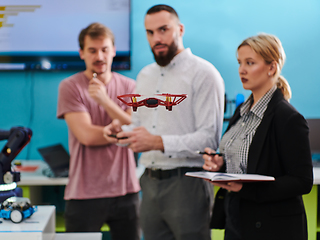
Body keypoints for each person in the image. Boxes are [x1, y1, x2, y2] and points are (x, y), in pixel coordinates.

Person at [104, 4, 225, 240]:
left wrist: (157, 142)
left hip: (188, 184)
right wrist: (120, 133)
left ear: (180, 29)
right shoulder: (144, 75)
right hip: (148, 184)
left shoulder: (204, 74)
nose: (156, 38)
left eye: (163, 30)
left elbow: (209, 139)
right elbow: (138, 125)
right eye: (150, 32)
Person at [202, 33, 313, 240]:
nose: (241, 70)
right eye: (240, 63)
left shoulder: (288, 118)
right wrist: (220, 165)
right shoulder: (242, 111)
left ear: (271, 68)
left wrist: (246, 188)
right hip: (236, 217)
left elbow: (302, 181)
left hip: (271, 228)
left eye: (250, 63)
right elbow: (244, 164)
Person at [56, 22, 140, 240]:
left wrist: (104, 101)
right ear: (81, 53)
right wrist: (118, 130)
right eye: (92, 50)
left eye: (104, 49)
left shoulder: (130, 87)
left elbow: (138, 129)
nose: (99, 56)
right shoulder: (70, 86)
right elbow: (86, 136)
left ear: (113, 51)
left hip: (126, 191)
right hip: (84, 193)